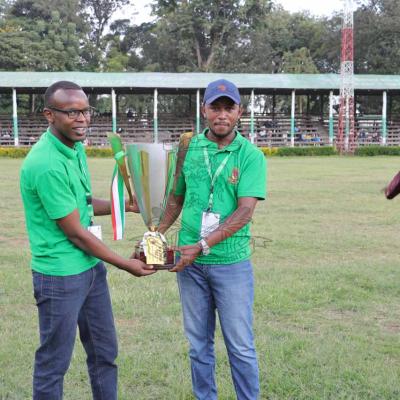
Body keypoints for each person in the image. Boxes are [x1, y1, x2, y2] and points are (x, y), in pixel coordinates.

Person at [20, 80, 156, 400]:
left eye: (85, 111)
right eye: (71, 112)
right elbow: (76, 233)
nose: (82, 119)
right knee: (54, 363)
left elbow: (82, 204)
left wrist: (124, 205)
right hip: (59, 276)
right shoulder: (45, 163)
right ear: (49, 115)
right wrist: (126, 264)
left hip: (91, 271)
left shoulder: (74, 147)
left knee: (104, 352)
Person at [159, 79, 267, 400]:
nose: (222, 114)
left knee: (241, 347)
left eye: (228, 108)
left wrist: (202, 245)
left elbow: (245, 211)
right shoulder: (187, 147)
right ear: (204, 110)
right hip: (189, 266)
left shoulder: (250, 155)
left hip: (229, 264)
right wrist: (156, 232)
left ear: (239, 112)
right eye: (215, 107)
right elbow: (175, 199)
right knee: (198, 345)